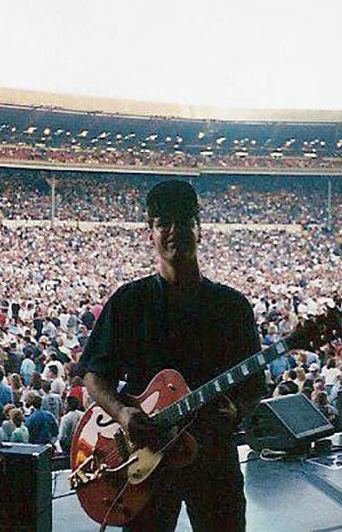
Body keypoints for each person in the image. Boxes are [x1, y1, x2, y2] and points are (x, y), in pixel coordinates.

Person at [79, 180, 266, 532]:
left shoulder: (231, 307)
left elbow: (256, 382)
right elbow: (93, 374)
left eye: (183, 221)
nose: (174, 231)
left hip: (213, 460)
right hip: (145, 461)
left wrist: (238, 409)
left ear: (200, 229)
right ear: (150, 232)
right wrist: (122, 413)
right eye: (163, 223)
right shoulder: (129, 301)